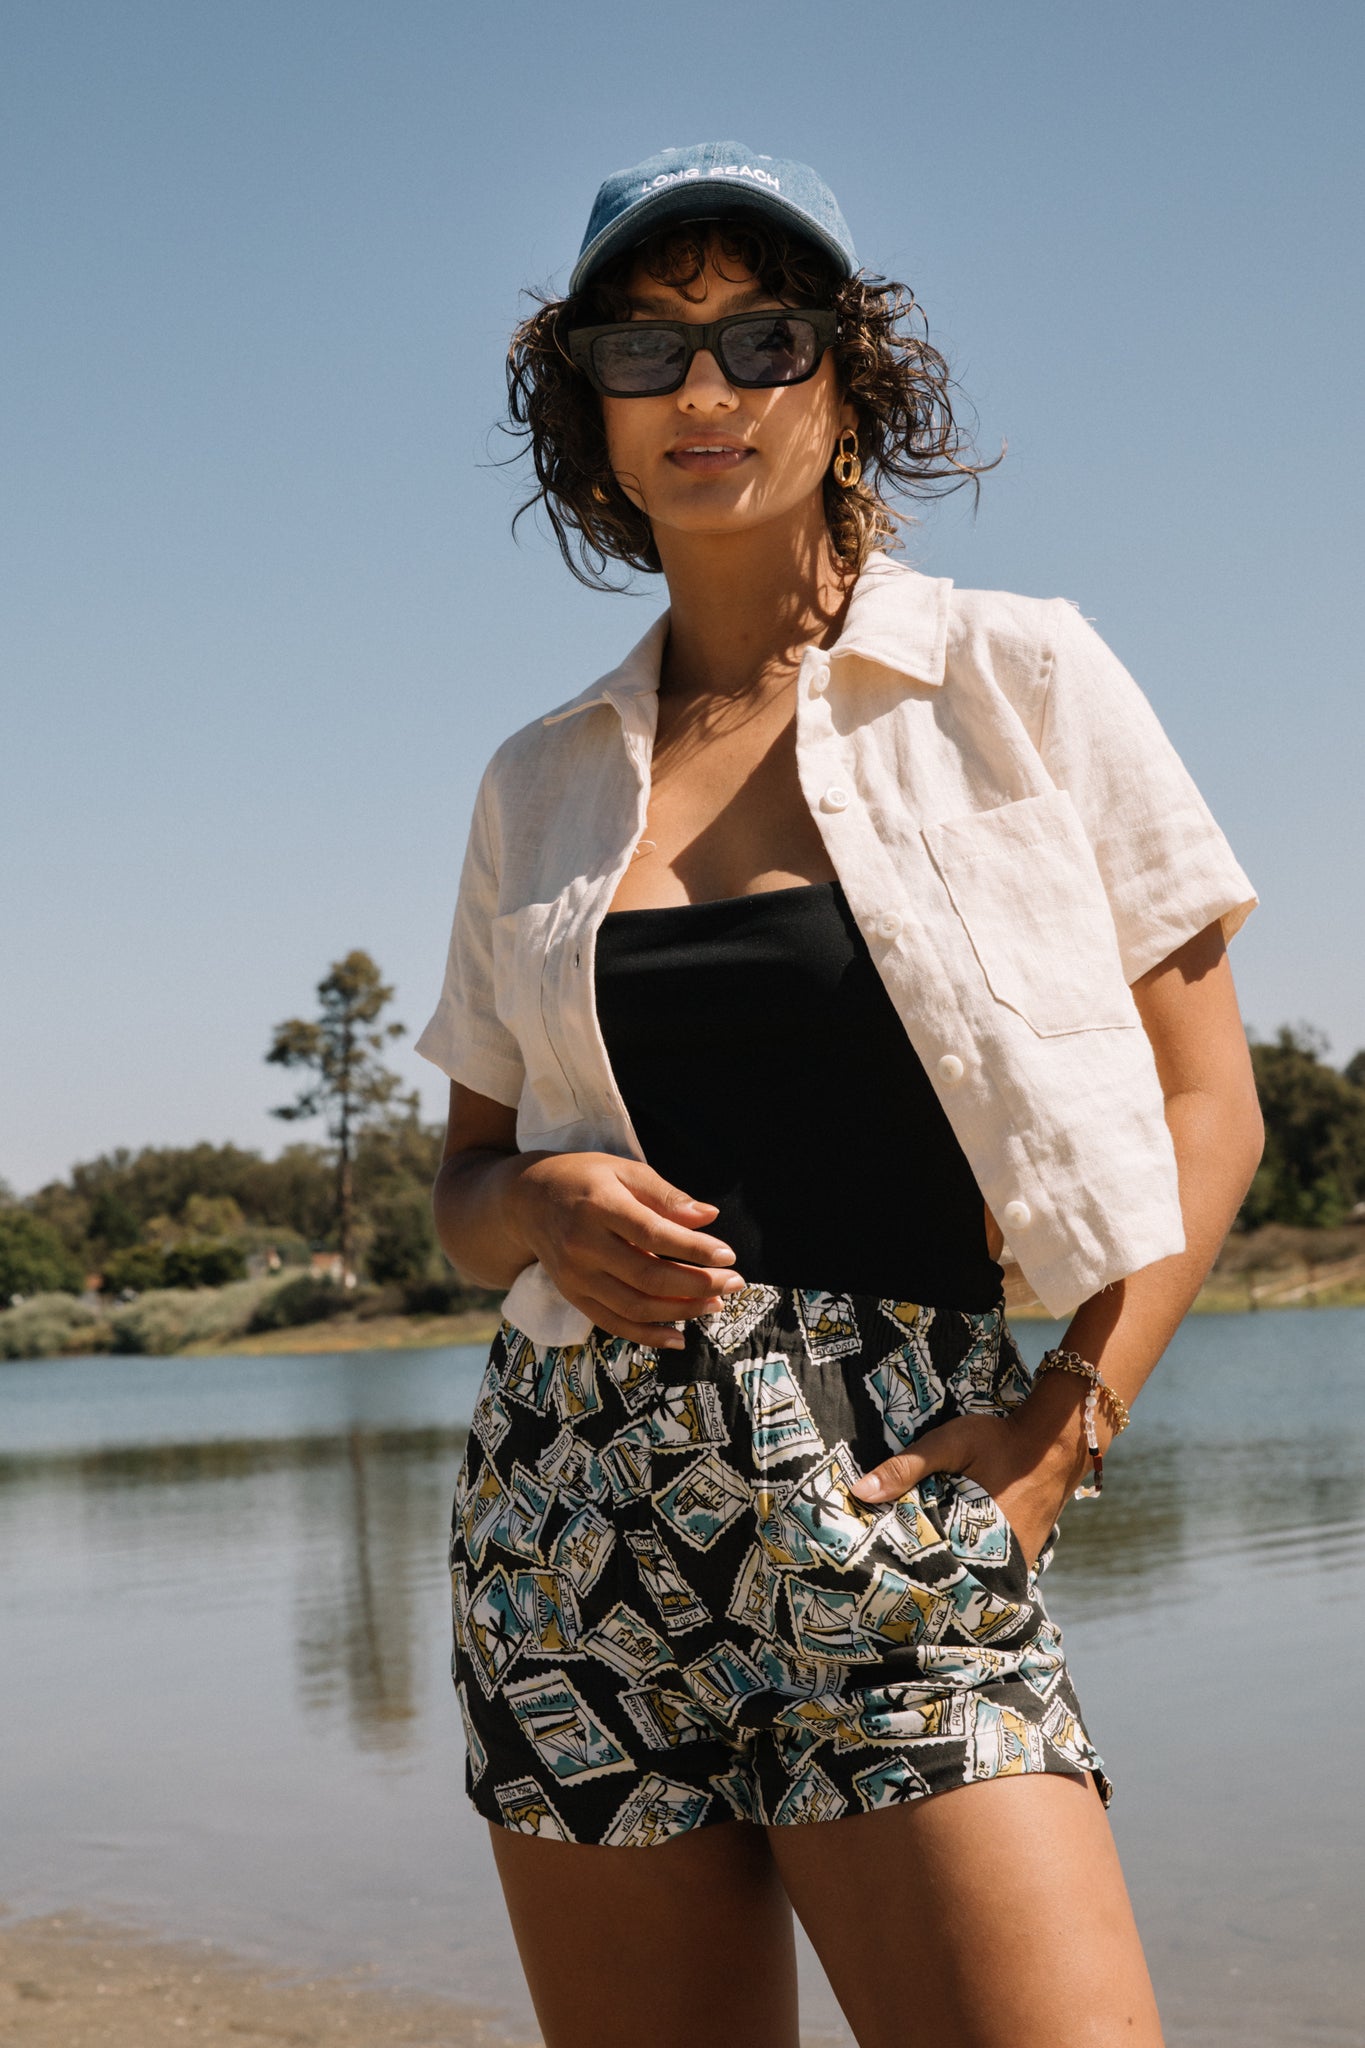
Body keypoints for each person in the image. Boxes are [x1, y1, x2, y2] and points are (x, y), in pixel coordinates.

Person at [417, 141, 1263, 2048]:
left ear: (845, 373)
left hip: (897, 1492)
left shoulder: (1018, 677)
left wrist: (1063, 1428)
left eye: (760, 336)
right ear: (590, 413)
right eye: (646, 349)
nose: (704, 389)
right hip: (569, 1525)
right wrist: (531, 1205)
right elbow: (462, 1192)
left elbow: (1208, 1106)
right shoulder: (535, 784)